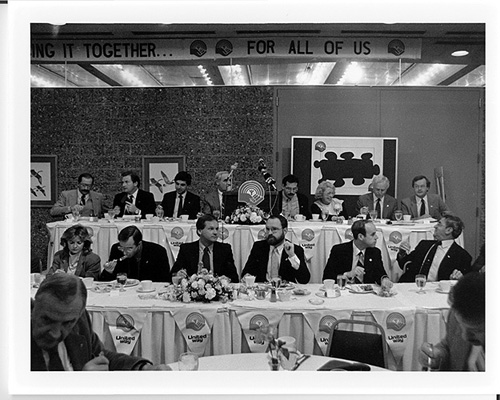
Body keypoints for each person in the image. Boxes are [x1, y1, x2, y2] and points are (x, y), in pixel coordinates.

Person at [31, 273, 170, 370]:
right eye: (47, 320)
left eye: (67, 324)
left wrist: (142, 368)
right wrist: (80, 386)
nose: (55, 333)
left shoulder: (80, 321)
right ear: (33, 306)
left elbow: (101, 357)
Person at [418, 271, 484, 371]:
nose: (465, 336)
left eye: (475, 331)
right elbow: (448, 346)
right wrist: (437, 357)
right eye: (460, 325)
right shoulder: (456, 312)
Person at [397, 214, 472, 282]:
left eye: (439, 224)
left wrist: (457, 279)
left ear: (448, 230)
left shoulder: (462, 256)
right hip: (412, 287)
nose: (435, 226)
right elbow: (404, 264)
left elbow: (464, 283)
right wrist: (402, 253)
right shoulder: (424, 245)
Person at [241, 215, 310, 283]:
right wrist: (246, 277)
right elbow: (246, 272)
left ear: (285, 230)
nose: (270, 233)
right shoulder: (259, 247)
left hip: (285, 289)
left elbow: (304, 280)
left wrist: (292, 256)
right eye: (267, 229)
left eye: (274, 229)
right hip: (263, 288)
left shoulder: (295, 250)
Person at [322, 219, 392, 286]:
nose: (376, 237)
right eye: (372, 234)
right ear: (361, 237)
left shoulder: (375, 252)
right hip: (345, 291)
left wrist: (384, 280)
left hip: (367, 292)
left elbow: (380, 274)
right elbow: (327, 278)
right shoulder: (339, 251)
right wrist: (347, 274)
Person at [171, 214, 239, 283]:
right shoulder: (186, 249)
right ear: (200, 231)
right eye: (211, 229)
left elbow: (234, 278)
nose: (215, 232)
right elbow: (172, 274)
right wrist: (178, 274)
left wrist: (227, 279)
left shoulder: (224, 249)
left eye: (217, 229)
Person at [100, 225, 170, 282]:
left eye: (129, 248)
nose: (124, 252)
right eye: (122, 247)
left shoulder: (157, 252)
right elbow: (104, 282)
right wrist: (108, 272)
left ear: (139, 244)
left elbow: (164, 281)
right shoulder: (116, 249)